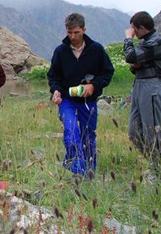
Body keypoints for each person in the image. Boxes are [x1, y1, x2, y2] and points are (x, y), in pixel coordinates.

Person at [47, 13, 114, 178]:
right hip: (67, 99)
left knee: (88, 135)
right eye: (69, 32)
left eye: (76, 32)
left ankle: (89, 173)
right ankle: (76, 168)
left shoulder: (96, 49)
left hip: (87, 101)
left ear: (84, 29)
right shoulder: (61, 51)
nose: (72, 36)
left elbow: (107, 72)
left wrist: (94, 85)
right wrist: (55, 90)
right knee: (70, 129)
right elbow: (53, 76)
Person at [124, 11, 161, 182]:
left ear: (141, 28)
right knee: (134, 131)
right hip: (139, 85)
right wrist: (136, 64)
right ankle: (154, 163)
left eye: (134, 29)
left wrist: (128, 39)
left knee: (152, 130)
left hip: (151, 86)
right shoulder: (146, 43)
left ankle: (160, 170)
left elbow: (131, 57)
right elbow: (134, 65)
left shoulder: (156, 41)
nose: (132, 32)